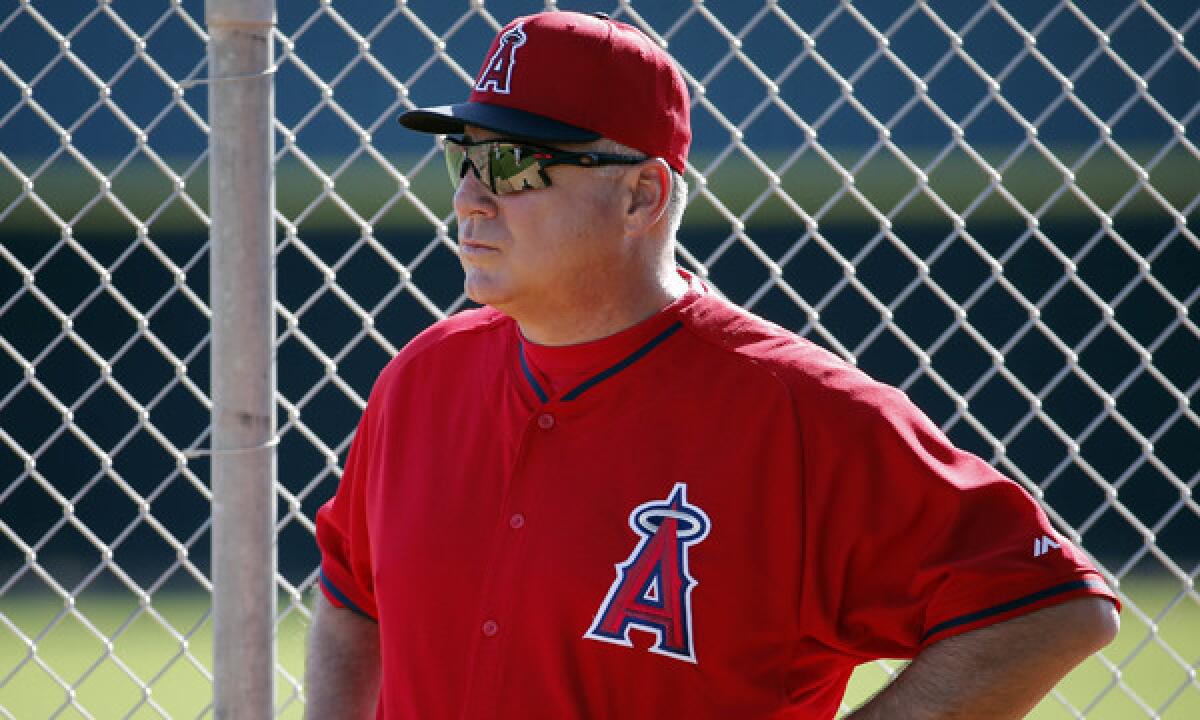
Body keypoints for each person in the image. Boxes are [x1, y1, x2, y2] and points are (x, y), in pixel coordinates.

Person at [303, 10, 1119, 719]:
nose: (472, 199)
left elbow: (1050, 611)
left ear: (642, 198)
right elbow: (352, 599)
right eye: (464, 160)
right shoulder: (421, 379)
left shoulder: (800, 411)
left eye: (517, 163)